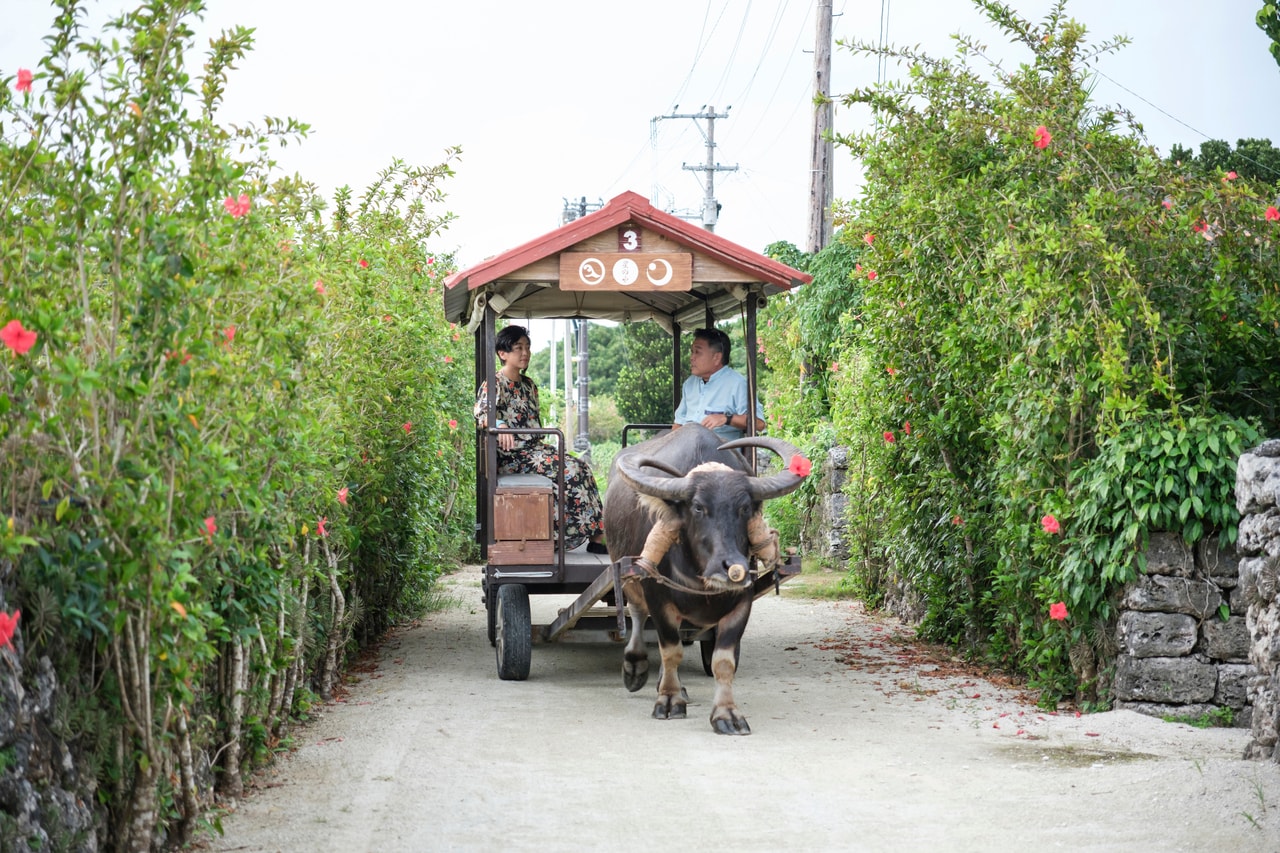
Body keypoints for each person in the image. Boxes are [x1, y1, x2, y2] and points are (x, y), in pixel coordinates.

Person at [474, 324, 607, 554]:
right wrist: (501, 425)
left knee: (581, 467)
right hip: (513, 457)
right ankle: (559, 537)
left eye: (527, 347)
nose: (525, 353)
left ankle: (597, 535)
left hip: (535, 452)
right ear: (502, 353)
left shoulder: (529, 385)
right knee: (571, 471)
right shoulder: (495, 383)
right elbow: (481, 413)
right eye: (518, 348)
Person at [672, 327, 765, 441]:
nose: (692, 357)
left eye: (697, 352)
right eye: (692, 352)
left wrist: (726, 418)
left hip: (721, 453)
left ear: (716, 358)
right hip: (689, 450)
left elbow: (760, 424)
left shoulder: (737, 384)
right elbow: (678, 424)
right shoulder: (690, 384)